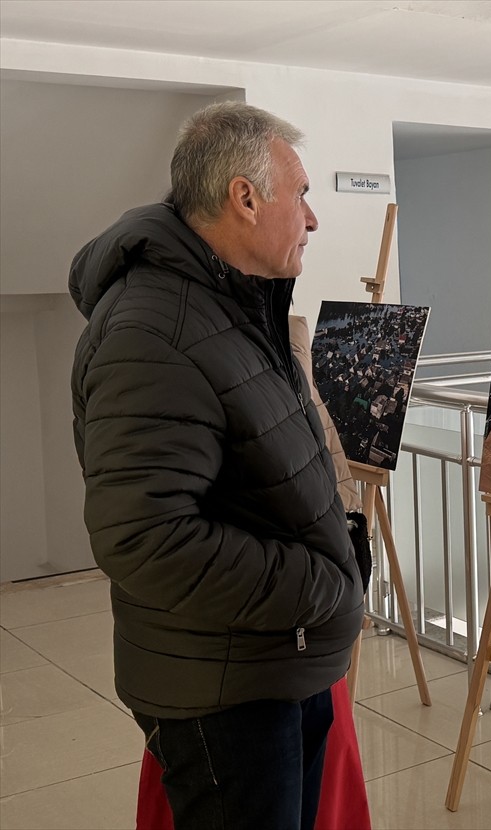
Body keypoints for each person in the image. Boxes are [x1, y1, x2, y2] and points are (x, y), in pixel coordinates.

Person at [70, 102, 366, 830]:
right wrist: (320, 586)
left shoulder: (231, 305)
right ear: (245, 197)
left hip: (268, 662)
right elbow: (145, 539)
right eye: (301, 194)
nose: (313, 217)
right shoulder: (157, 329)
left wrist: (337, 538)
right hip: (230, 691)